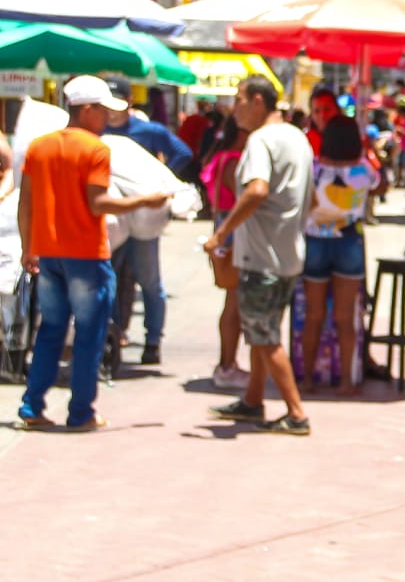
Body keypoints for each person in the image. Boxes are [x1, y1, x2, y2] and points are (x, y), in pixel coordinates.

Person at [15, 75, 171, 431]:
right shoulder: (96, 149)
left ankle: (31, 407)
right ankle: (81, 413)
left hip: (49, 253)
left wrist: (29, 247)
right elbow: (97, 202)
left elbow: (27, 202)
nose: (108, 118)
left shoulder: (40, 147)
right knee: (88, 334)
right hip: (85, 254)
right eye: (103, 111)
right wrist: (146, 200)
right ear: (86, 110)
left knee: (51, 330)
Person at [203, 74, 313, 436]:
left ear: (257, 101)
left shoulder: (261, 140)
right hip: (287, 254)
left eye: (238, 100)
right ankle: (252, 401)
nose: (234, 110)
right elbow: (310, 200)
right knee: (261, 330)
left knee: (265, 337)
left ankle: (296, 413)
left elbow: (257, 189)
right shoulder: (298, 138)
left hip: (262, 258)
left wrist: (222, 232)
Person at [102, 79, 192, 366]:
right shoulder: (97, 130)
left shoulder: (149, 131)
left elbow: (183, 153)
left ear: (129, 100)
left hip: (143, 219)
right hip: (113, 217)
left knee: (149, 281)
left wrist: (162, 179)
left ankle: (153, 341)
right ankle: (113, 338)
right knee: (109, 278)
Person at [301, 114, 378, 396]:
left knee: (314, 315)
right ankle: (346, 380)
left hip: (316, 241)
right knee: (346, 318)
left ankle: (307, 380)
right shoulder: (363, 171)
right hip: (349, 241)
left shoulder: (314, 169)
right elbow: (379, 185)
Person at [200, 116, 250, 391]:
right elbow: (245, 198)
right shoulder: (233, 161)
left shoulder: (219, 158)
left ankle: (227, 363)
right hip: (234, 231)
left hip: (225, 227)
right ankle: (227, 365)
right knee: (234, 302)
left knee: (233, 301)